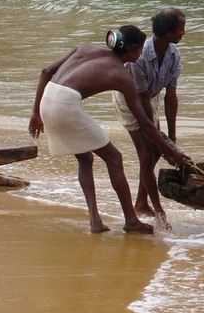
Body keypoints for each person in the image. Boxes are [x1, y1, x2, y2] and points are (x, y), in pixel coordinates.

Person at [29, 25, 190, 234]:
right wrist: (172, 152)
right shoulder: (122, 76)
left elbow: (46, 72)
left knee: (85, 158)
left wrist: (35, 113)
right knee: (114, 159)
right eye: (140, 50)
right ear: (131, 51)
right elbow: (144, 122)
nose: (141, 54)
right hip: (65, 105)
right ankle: (131, 221)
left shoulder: (85, 49)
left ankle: (95, 220)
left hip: (47, 100)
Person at [112, 8, 186, 229]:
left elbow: (170, 96)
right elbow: (140, 99)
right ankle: (155, 208)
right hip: (129, 101)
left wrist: (170, 137)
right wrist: (159, 138)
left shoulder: (174, 54)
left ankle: (141, 202)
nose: (184, 32)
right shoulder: (140, 57)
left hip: (150, 98)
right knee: (147, 152)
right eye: (181, 28)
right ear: (168, 31)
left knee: (157, 150)